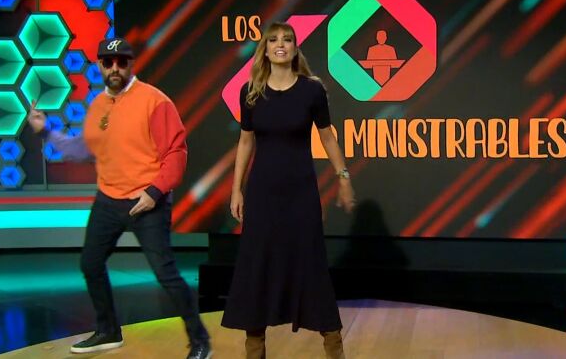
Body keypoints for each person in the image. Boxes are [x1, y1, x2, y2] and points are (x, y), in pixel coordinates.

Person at [26, 37, 212, 359]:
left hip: (147, 201)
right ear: (100, 65)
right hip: (108, 200)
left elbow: (176, 153)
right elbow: (83, 148)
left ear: (131, 64)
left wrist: (154, 192)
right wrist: (45, 131)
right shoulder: (99, 105)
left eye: (121, 62)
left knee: (165, 274)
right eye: (108, 62)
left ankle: (200, 341)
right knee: (90, 263)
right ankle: (109, 330)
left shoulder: (155, 101)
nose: (115, 68)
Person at [221, 22, 356, 359]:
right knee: (258, 267)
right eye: (273, 40)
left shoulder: (312, 90)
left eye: (287, 39)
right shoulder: (250, 92)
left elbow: (327, 137)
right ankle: (255, 350)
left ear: (295, 48)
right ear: (265, 50)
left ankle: (334, 348)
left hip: (301, 194)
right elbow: (245, 142)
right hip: (262, 194)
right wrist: (236, 190)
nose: (280, 44)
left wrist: (343, 177)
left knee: (311, 265)